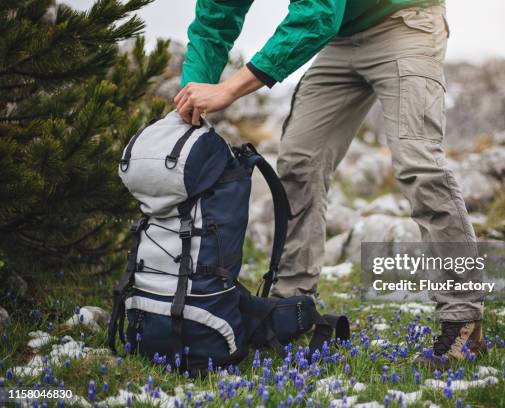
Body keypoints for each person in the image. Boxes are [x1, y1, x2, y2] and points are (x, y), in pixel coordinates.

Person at [174, 0, 485, 366]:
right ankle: (291, 305)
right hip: (340, 38)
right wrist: (188, 103)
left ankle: (463, 318)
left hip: (403, 20)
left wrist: (229, 89)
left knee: (419, 165)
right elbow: (215, 19)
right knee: (299, 163)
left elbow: (318, 14)